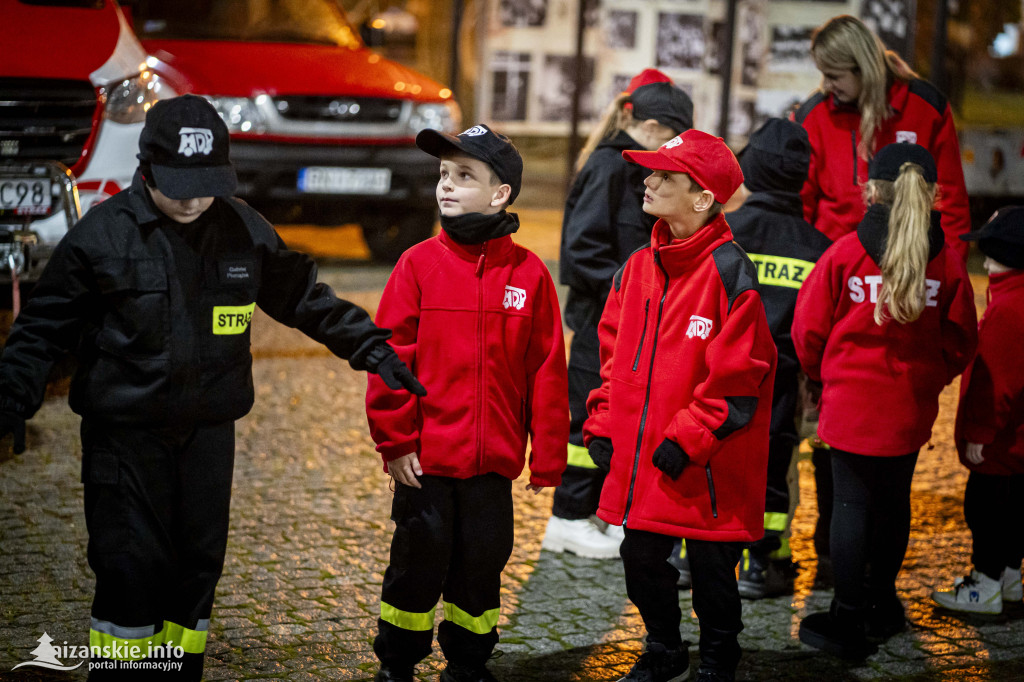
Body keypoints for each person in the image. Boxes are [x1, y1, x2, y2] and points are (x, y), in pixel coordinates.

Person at [0, 94, 424, 681]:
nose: (195, 198)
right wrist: (10, 397)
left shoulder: (240, 228)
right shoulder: (101, 238)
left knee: (197, 567)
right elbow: (41, 329)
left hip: (207, 434)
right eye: (180, 184)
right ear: (146, 168)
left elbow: (303, 297)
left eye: (206, 183)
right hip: (126, 438)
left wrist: (370, 346)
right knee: (130, 567)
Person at [364, 124, 569, 682]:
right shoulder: (417, 265)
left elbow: (547, 372)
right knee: (416, 565)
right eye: (442, 176)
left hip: (492, 467)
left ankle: (469, 662)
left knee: (481, 567)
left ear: (501, 193)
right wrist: (396, 440)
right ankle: (398, 663)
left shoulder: (529, 275)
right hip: (426, 461)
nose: (445, 188)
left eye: (463, 176)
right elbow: (389, 361)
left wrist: (549, 455)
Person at [585, 128, 777, 682]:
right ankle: (664, 650)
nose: (648, 182)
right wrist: (602, 421)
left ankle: (719, 660)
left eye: (665, 176)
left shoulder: (730, 270)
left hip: (707, 463)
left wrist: (689, 436)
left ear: (702, 198)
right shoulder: (637, 267)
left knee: (713, 574)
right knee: (640, 560)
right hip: (647, 460)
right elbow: (611, 353)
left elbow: (741, 376)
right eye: (651, 172)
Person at [790, 14, 972, 579]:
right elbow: (804, 201)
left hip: (912, 282)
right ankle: (832, 557)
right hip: (839, 282)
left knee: (878, 471)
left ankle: (854, 577)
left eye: (835, 74)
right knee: (832, 448)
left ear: (864, 67)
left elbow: (955, 204)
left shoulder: (925, 107)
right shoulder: (816, 115)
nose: (827, 86)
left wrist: (938, 282)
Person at [792, 143, 978, 660]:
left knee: (850, 505)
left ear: (872, 191)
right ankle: (882, 600)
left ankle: (848, 613)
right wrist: (932, 376)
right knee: (894, 503)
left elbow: (808, 328)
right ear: (932, 194)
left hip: (850, 405)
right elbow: (963, 336)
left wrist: (819, 376)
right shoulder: (945, 260)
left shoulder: (846, 252)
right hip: (908, 409)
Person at [543, 69, 694, 560]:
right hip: (601, 318)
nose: (668, 149)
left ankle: (608, 513)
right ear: (639, 121)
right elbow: (581, 250)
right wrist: (637, 290)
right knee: (587, 415)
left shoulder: (637, 171)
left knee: (621, 417)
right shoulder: (610, 167)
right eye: (666, 137)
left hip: (631, 318)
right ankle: (567, 518)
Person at [726, 118, 833, 599]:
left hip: (719, 377)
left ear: (748, 172)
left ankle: (689, 555)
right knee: (774, 468)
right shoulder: (819, 249)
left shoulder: (724, 233)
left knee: (712, 465)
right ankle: (764, 562)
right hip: (782, 384)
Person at [932, 206, 1024, 615]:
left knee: (985, 511)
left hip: (1000, 442)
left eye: (990, 254)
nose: (983, 262)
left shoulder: (1009, 310)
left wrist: (979, 433)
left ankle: (982, 585)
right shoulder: (1014, 298)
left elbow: (997, 383)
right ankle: (1008, 578)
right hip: (1016, 441)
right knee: (1014, 509)